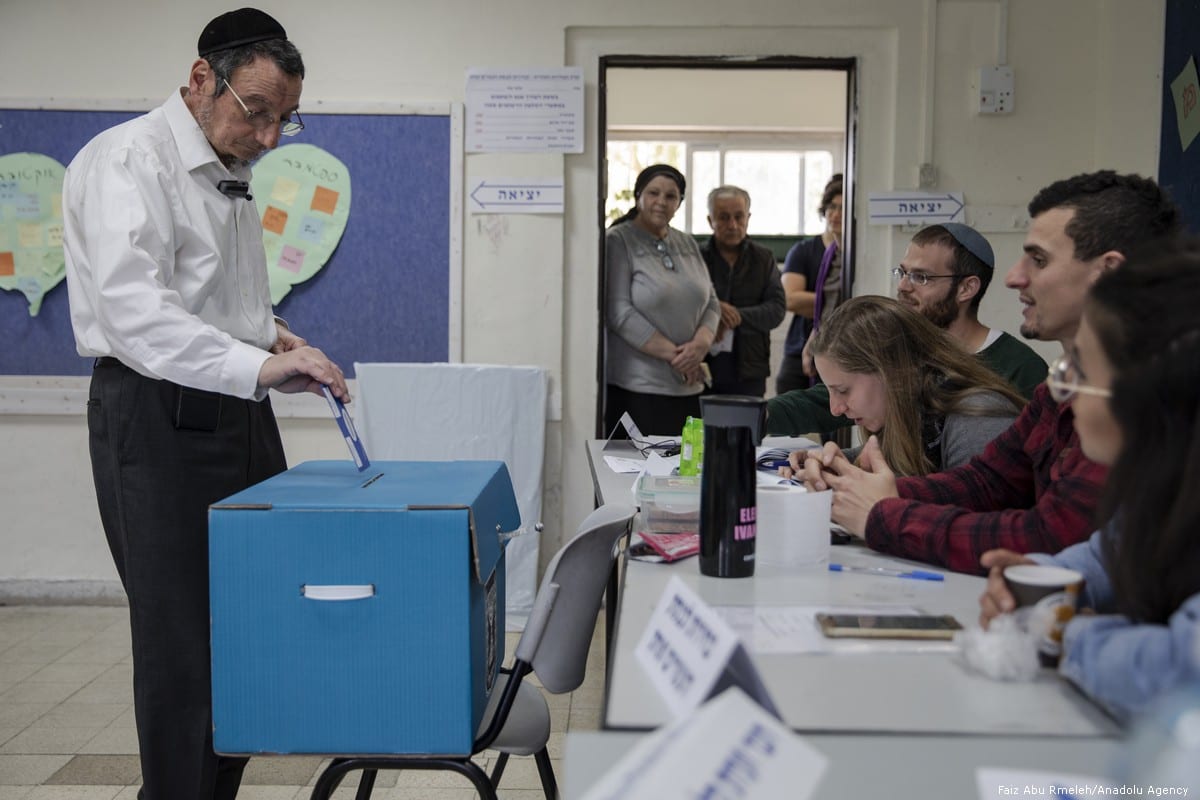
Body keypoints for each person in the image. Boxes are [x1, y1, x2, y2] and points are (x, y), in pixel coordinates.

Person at [61, 10, 349, 799]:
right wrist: (255, 365)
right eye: (255, 111)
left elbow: (213, 298)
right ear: (200, 79)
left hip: (233, 406)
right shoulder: (129, 160)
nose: (266, 137)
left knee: (251, 625)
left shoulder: (227, 166)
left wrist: (275, 337)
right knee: (183, 643)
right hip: (157, 416)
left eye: (284, 120)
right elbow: (137, 315)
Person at [796, 171, 1180, 574]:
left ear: (1108, 273)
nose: (1014, 277)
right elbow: (986, 480)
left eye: (1039, 260)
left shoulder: (1148, 396)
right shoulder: (1062, 387)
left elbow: (1048, 537)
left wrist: (883, 515)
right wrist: (870, 488)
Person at [978, 238, 1200, 720]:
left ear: (1147, 390)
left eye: (1081, 367)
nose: (1066, 388)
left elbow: (1180, 674)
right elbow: (1109, 552)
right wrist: (1036, 579)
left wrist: (1068, 631)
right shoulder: (1164, 484)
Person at [768, 222, 1047, 435]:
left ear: (966, 288)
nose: (902, 286)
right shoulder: (898, 346)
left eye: (921, 277)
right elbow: (821, 402)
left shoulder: (1020, 368)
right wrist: (752, 418)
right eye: (902, 272)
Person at [804, 295, 1023, 475]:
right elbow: (893, 455)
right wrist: (833, 463)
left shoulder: (978, 421)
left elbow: (972, 522)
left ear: (891, 371)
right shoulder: (916, 410)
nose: (835, 409)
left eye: (842, 390)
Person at [605, 164, 720, 435]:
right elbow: (618, 311)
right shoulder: (618, 241)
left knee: (688, 472)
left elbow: (712, 302)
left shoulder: (687, 243)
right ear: (638, 196)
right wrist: (680, 358)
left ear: (679, 202)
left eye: (671, 196)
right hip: (639, 389)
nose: (661, 202)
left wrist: (700, 345)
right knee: (640, 474)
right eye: (653, 193)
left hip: (689, 386)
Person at [700, 185, 786, 397]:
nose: (733, 225)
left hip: (750, 369)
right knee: (701, 430)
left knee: (748, 429)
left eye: (739, 217)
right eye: (724, 217)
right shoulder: (695, 257)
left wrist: (736, 316)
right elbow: (681, 305)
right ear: (710, 220)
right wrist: (715, 308)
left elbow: (776, 310)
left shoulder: (763, 258)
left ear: (748, 217)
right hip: (702, 365)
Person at [776, 174, 843, 394]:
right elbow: (790, 299)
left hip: (841, 347)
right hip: (799, 344)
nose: (836, 214)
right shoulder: (804, 250)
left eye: (843, 208)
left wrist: (820, 304)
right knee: (783, 408)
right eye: (832, 206)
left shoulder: (854, 254)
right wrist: (837, 304)